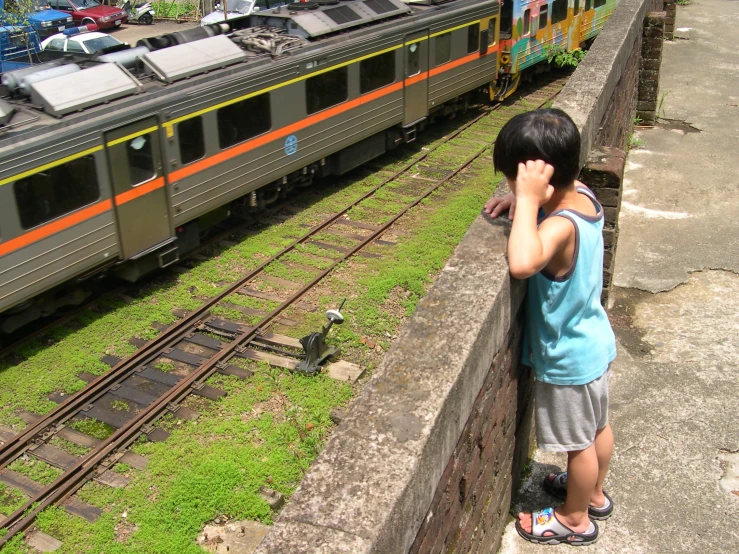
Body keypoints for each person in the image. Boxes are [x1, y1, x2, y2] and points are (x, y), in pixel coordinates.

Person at [483, 109, 616, 546]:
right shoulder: (583, 196)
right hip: (594, 340)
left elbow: (522, 262)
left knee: (578, 445)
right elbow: (550, 207)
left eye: (513, 182)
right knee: (597, 429)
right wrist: (527, 203)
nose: (512, 190)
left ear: (540, 180)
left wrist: (525, 204)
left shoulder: (558, 226)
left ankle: (574, 518)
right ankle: (593, 493)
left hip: (568, 356)